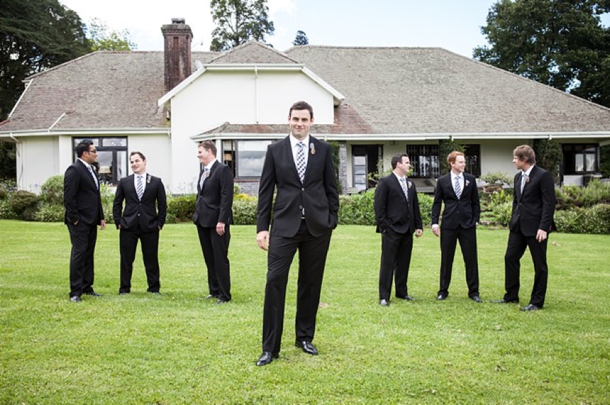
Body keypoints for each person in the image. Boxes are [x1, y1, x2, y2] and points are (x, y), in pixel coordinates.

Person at [255, 101, 339, 366]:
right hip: (283, 226)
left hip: (317, 227)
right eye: (295, 119)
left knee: (310, 283)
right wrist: (261, 228)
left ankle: (304, 337)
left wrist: (331, 219)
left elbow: (331, 187)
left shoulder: (323, 150)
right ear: (288, 120)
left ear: (311, 121)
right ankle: (270, 347)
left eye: (304, 119)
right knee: (274, 282)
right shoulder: (275, 151)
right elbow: (265, 191)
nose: (299, 123)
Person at [494, 145, 556, 311]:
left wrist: (543, 227)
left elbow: (549, 204)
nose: (513, 161)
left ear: (525, 159)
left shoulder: (543, 176)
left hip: (536, 229)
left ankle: (536, 301)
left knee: (539, 265)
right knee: (510, 258)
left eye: (515, 158)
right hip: (518, 227)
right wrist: (514, 219)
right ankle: (511, 296)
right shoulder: (517, 177)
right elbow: (517, 202)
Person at [113, 152, 167, 295]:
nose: (134, 164)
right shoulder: (125, 182)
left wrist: (159, 223)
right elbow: (117, 203)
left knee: (151, 258)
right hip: (128, 226)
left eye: (137, 161)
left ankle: (154, 287)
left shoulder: (156, 182)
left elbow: (162, 205)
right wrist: (118, 222)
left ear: (144, 161)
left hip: (150, 226)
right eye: (131, 162)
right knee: (126, 259)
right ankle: (124, 288)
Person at [431, 151, 482, 302]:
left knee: (471, 258)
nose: (463, 164)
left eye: (464, 162)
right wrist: (434, 222)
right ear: (452, 163)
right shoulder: (442, 181)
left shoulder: (470, 180)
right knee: (446, 259)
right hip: (448, 225)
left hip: (467, 225)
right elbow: (437, 203)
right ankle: (443, 290)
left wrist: (476, 220)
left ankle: (474, 292)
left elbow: (475, 202)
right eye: (460, 162)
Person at [374, 153, 423, 307]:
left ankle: (402, 292)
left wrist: (418, 225)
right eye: (407, 162)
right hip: (391, 230)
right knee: (388, 263)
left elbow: (414, 206)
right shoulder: (385, 182)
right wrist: (385, 227)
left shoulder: (410, 184)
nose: (410, 165)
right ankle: (384, 296)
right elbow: (379, 207)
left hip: (408, 230)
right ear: (398, 164)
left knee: (403, 262)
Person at [64, 140, 106, 302]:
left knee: (89, 254)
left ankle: (87, 286)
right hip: (79, 222)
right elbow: (69, 198)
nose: (96, 153)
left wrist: (100, 217)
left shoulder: (92, 170)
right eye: (94, 151)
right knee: (79, 254)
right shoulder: (74, 170)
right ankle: (75, 292)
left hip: (91, 220)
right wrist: (75, 220)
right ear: (85, 153)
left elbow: (95, 196)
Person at [193, 140, 234, 304]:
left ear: (209, 151)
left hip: (217, 222)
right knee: (209, 258)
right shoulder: (204, 171)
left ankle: (225, 294)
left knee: (219, 258)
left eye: (200, 151)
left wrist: (222, 220)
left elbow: (226, 197)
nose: (198, 155)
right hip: (202, 221)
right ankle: (214, 290)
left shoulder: (222, 170)